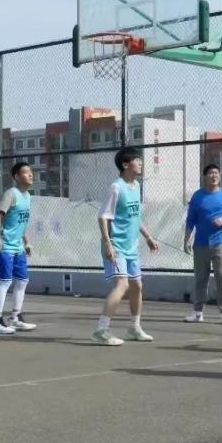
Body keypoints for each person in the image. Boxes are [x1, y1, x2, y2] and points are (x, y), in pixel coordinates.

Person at [92, 147, 160, 346]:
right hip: (117, 246)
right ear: (125, 164)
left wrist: (148, 237)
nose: (140, 163)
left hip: (132, 248)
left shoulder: (136, 186)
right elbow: (103, 217)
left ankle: (134, 328)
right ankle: (101, 330)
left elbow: (134, 216)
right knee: (123, 284)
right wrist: (108, 243)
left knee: (137, 285)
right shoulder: (116, 187)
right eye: (137, 160)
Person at [183, 165, 222, 325]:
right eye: (210, 173)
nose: (214, 176)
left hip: (220, 243)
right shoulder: (197, 196)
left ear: (219, 176)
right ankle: (198, 312)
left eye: (216, 173)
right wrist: (186, 239)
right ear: (205, 177)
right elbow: (190, 219)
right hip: (200, 244)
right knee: (200, 279)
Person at [0, 162, 36, 335]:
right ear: (17, 176)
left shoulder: (28, 196)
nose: (30, 175)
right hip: (5, 246)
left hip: (18, 247)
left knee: (22, 281)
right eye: (26, 172)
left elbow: (20, 223)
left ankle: (15, 318)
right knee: (5, 282)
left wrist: (26, 242)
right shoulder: (11, 194)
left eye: (31, 172)